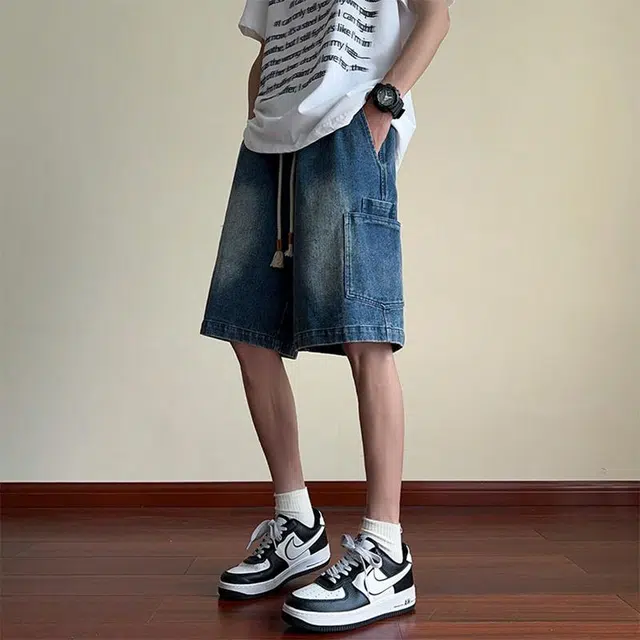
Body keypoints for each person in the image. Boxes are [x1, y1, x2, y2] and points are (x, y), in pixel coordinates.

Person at [200, 0, 454, 632]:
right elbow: (268, 49)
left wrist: (383, 105)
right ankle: (297, 526)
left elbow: (435, 15)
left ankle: (386, 553)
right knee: (248, 329)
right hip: (270, 143)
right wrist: (260, 121)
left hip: (348, 125)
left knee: (366, 333)